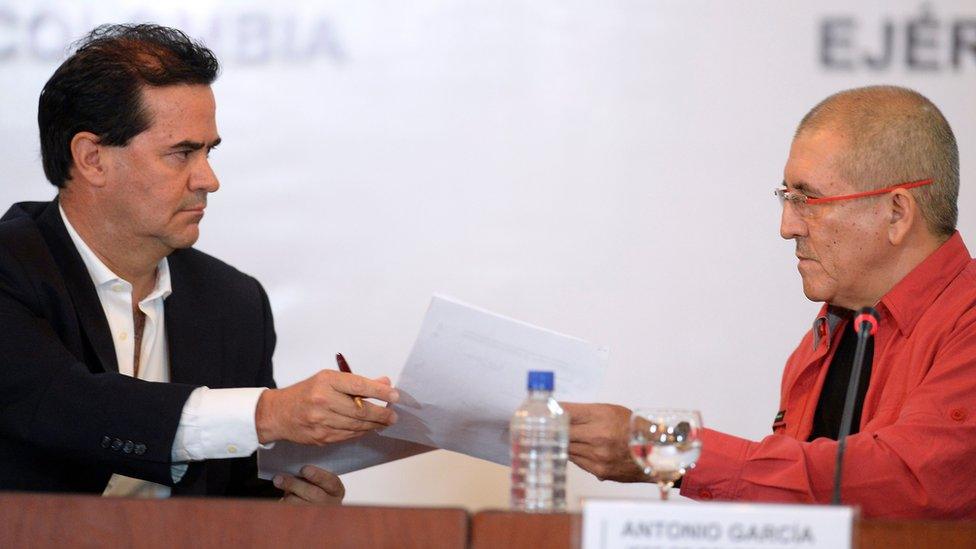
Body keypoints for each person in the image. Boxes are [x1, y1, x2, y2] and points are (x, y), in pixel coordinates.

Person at [0, 24, 400, 503]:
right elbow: (66, 407)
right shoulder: (11, 267)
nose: (209, 179)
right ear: (92, 159)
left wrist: (288, 506)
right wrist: (268, 413)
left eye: (209, 151)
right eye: (182, 153)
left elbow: (234, 493)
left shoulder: (232, 302)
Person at [564, 85, 976, 519]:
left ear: (896, 212)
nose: (787, 227)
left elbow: (904, 482)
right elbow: (794, 512)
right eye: (786, 198)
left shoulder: (965, 324)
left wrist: (669, 451)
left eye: (808, 200)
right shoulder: (825, 338)